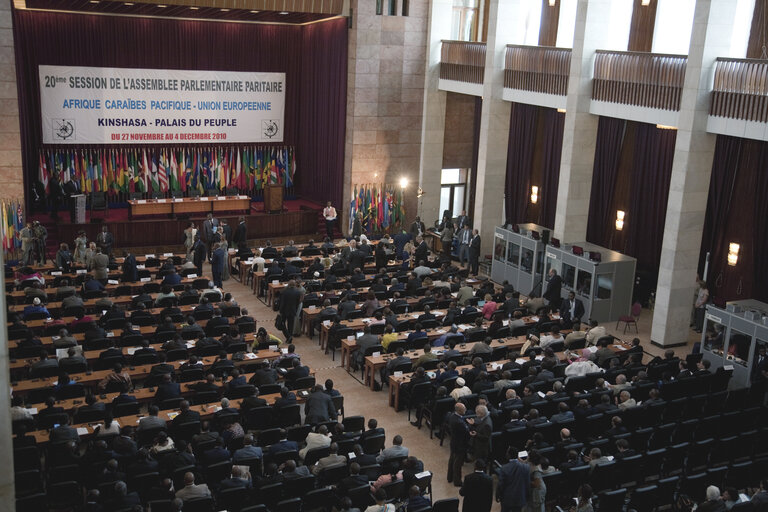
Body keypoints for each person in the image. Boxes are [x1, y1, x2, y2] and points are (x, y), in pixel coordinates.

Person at [447, 403, 469, 486]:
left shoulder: (453, 416)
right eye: (463, 409)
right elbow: (466, 432)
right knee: (458, 464)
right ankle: (457, 481)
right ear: (459, 411)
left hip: (454, 442)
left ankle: (450, 477)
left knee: (452, 460)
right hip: (460, 445)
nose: (465, 410)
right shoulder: (459, 422)